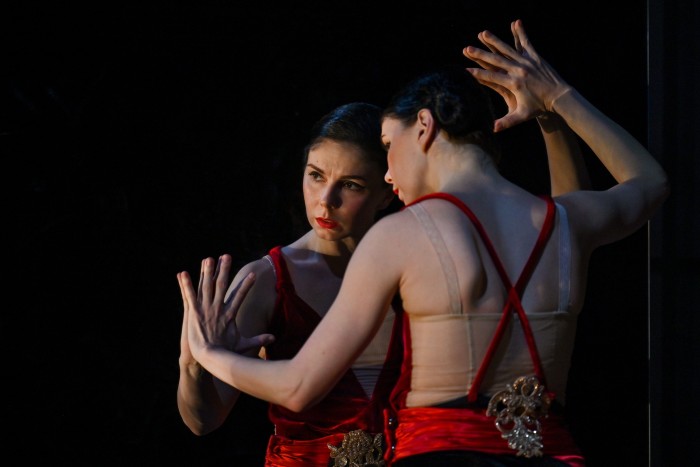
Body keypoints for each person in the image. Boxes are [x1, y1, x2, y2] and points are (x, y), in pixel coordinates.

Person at [177, 20, 633, 466]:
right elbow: (202, 421)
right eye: (315, 176)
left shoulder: (420, 257)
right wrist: (194, 363)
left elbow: (562, 223)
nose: (326, 200)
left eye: (352, 185)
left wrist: (550, 117)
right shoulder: (267, 280)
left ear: (387, 187)